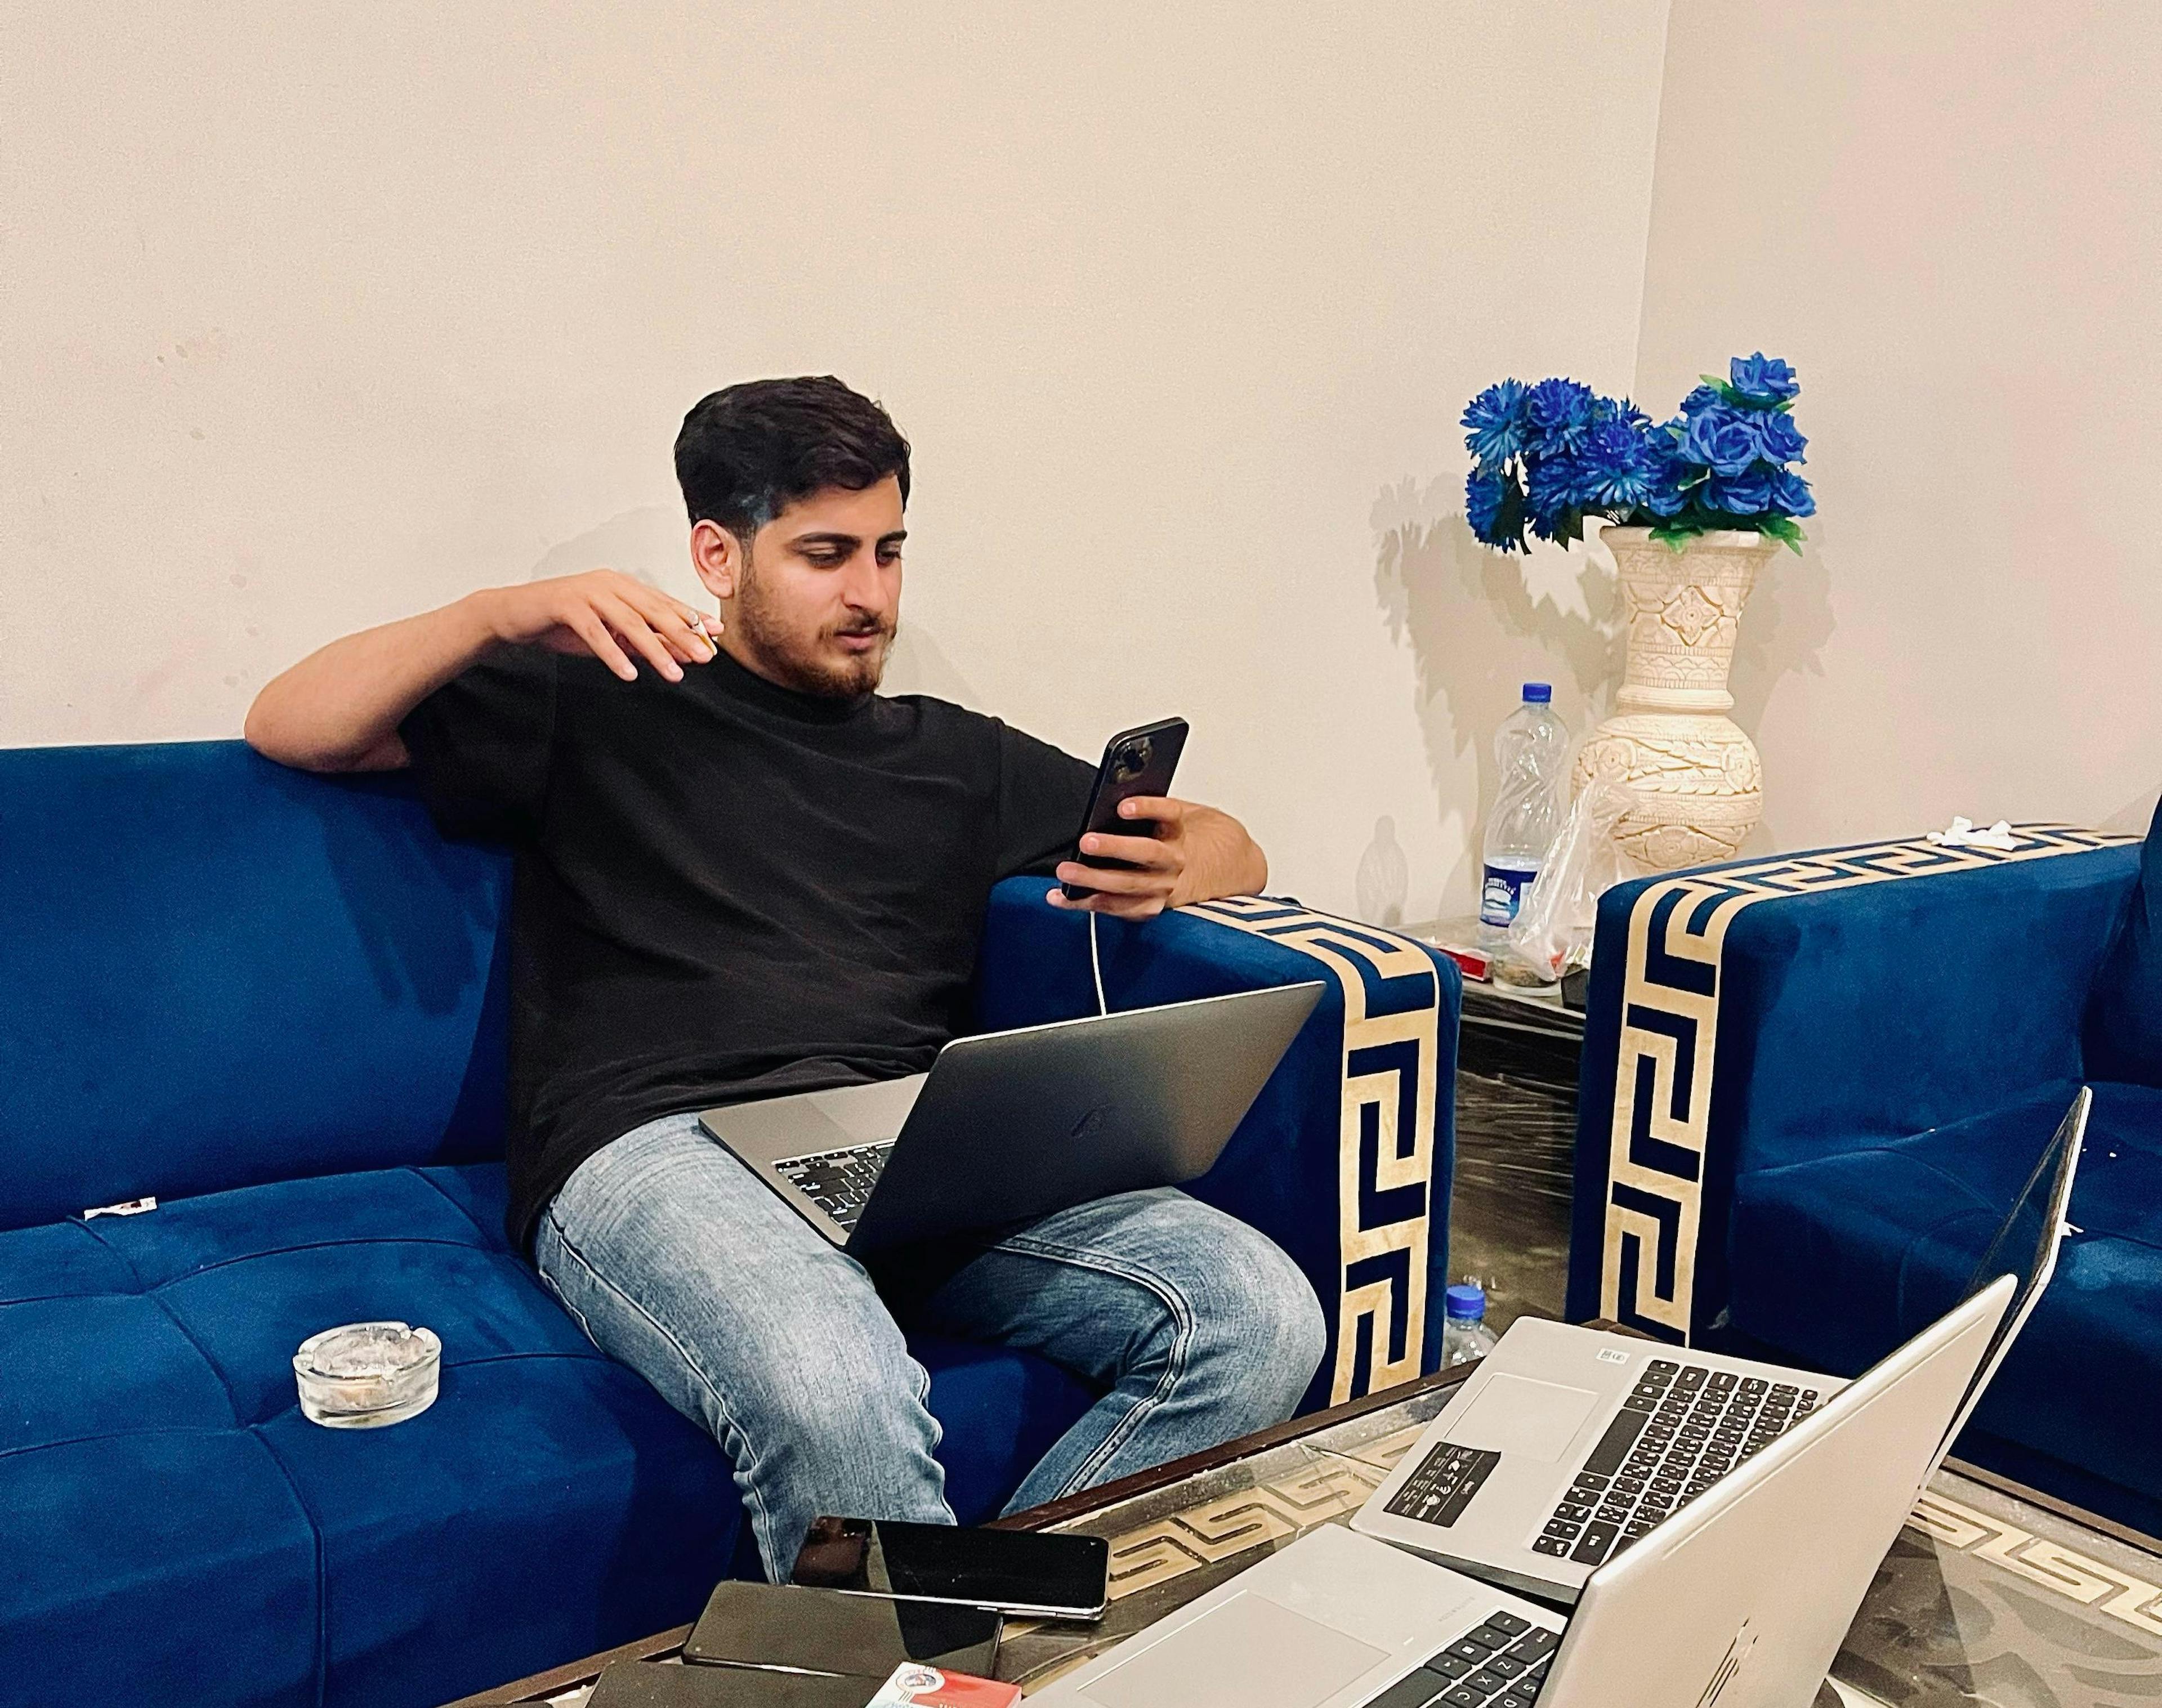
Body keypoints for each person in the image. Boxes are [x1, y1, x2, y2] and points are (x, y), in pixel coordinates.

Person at [245, 375, 1325, 1575]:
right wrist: (499, 613)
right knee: (835, 1382)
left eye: (889, 551)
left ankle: (1006, 1645)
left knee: (1255, 1308)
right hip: (654, 1142)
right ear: (718, 553)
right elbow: (293, 724)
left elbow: (1233, 844)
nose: (872, 594)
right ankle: (951, 1652)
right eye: (826, 554)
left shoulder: (952, 755)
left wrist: (1178, 862)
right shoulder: (599, 698)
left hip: (903, 1144)